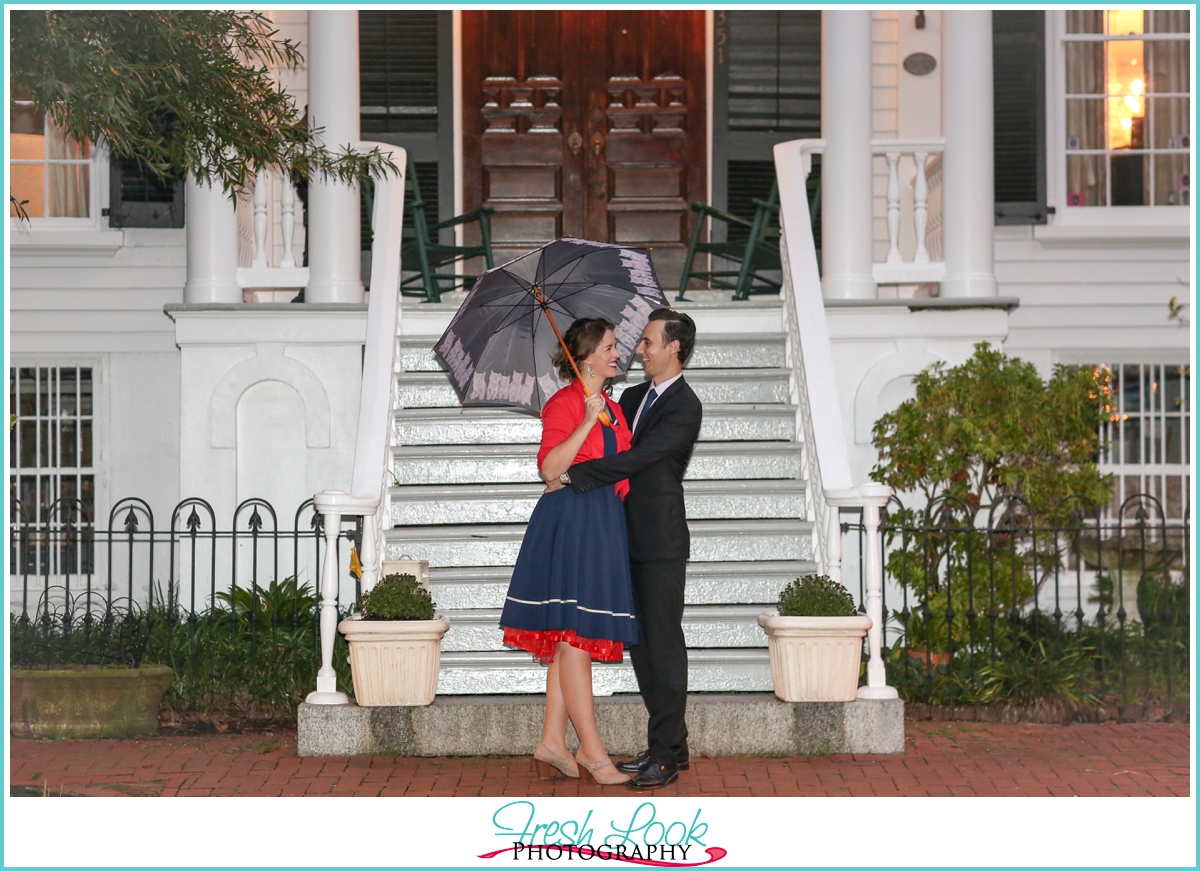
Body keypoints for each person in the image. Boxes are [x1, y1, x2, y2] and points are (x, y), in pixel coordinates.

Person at [556, 308, 702, 790]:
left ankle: (664, 755)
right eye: (638, 342)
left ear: (674, 347)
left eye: (650, 342)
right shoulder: (632, 396)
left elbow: (640, 458)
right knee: (640, 646)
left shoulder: (686, 405)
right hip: (618, 537)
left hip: (660, 541)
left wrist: (576, 476)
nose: (640, 349)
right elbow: (598, 437)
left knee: (664, 646)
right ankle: (672, 746)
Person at [499, 317, 637, 786]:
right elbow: (550, 467)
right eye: (610, 347)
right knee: (574, 639)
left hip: (602, 522)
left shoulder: (615, 410)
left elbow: (621, 470)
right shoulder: (565, 403)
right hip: (572, 521)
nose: (618, 353)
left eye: (616, 346)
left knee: (567, 639)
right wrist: (582, 421)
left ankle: (553, 742)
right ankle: (593, 754)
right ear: (586, 357)